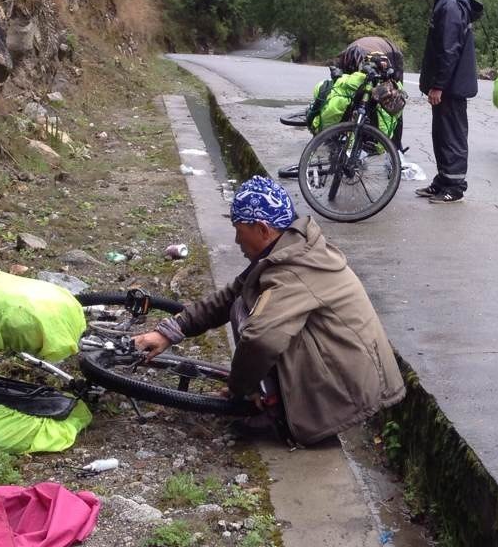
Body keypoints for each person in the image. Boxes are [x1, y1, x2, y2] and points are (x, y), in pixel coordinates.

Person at [131, 177, 405, 445]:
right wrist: (170, 331)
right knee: (243, 303)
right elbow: (231, 294)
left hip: (349, 392)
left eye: (239, 230)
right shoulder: (287, 247)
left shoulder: (293, 269)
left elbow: (261, 339)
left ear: (263, 229)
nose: (237, 240)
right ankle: (274, 401)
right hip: (348, 375)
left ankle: (277, 416)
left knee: (253, 320)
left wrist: (240, 390)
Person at [277, 35, 405, 180]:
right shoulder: (344, 58)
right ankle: (357, 141)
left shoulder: (365, 59)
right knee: (356, 96)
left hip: (390, 54)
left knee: (393, 100)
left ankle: (396, 149)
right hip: (366, 50)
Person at [415, 0, 483, 203]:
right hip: (449, 83)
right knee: (441, 133)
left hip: (452, 85)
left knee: (452, 135)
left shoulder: (450, 4)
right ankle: (443, 179)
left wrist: (438, 86)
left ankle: (455, 187)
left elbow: (448, 49)